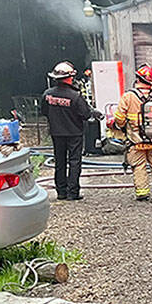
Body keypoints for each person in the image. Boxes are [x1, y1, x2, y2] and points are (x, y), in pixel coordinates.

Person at [112, 65, 152, 202]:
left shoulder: (128, 96)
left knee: (139, 166)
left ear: (138, 79)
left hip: (135, 140)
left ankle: (142, 194)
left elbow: (119, 118)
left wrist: (124, 128)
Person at [41, 61, 101, 201]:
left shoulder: (47, 94)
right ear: (69, 77)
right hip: (74, 133)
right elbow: (86, 114)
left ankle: (61, 192)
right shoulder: (75, 96)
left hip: (56, 133)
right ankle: (73, 193)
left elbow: (44, 111)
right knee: (74, 162)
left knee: (59, 162)